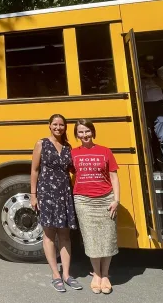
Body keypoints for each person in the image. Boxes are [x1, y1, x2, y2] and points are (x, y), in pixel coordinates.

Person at [30, 113, 81, 293]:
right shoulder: (41, 144)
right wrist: (34, 195)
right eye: (55, 124)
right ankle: (55, 274)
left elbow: (73, 169)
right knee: (49, 234)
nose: (58, 127)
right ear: (49, 126)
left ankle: (67, 274)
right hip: (47, 192)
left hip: (64, 192)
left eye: (61, 125)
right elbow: (35, 170)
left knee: (65, 235)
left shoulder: (68, 146)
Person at [72, 119, 120, 295]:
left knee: (107, 238)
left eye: (87, 131)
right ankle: (97, 274)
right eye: (81, 132)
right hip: (83, 201)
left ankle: (106, 274)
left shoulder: (105, 151)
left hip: (106, 199)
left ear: (93, 132)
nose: (84, 135)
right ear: (76, 135)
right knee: (91, 238)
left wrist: (116, 200)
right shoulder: (73, 153)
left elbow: (114, 177)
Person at [140, 57, 163, 173]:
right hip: (142, 106)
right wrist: (141, 74)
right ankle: (149, 164)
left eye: (150, 63)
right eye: (146, 63)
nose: (148, 65)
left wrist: (152, 77)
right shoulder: (136, 72)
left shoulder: (158, 73)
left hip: (158, 106)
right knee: (145, 136)